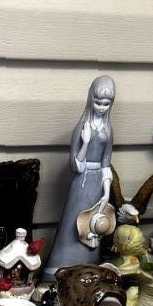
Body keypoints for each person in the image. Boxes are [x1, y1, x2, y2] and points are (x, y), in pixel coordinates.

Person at [44, 76, 116, 279]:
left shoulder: (108, 130)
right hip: (81, 183)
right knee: (73, 224)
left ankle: (87, 268)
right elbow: (76, 165)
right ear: (91, 99)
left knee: (93, 224)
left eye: (106, 104)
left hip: (97, 184)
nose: (101, 107)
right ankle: (61, 268)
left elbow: (106, 163)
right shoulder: (83, 127)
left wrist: (106, 192)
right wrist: (85, 142)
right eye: (98, 102)